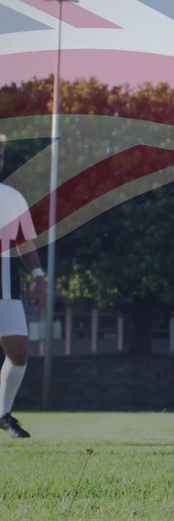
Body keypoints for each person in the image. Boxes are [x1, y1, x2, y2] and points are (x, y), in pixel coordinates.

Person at [0, 134, 47, 439]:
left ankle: (2, 413)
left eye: (1, 156)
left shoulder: (12, 197)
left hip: (5, 281)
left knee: (19, 350)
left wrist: (39, 277)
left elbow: (24, 242)